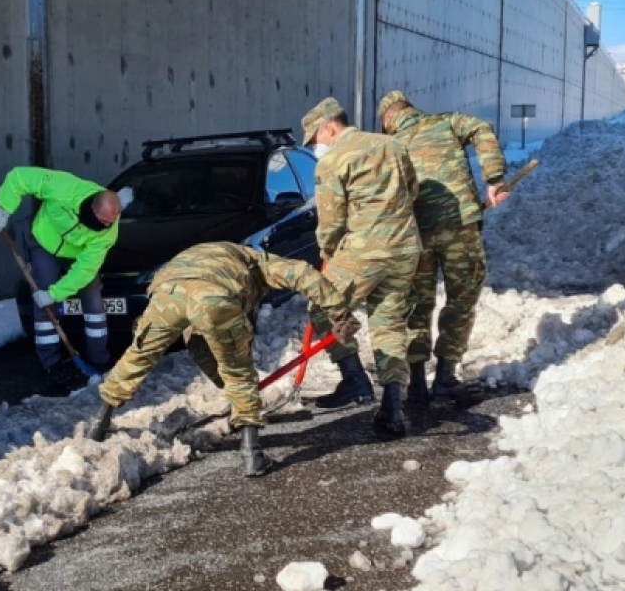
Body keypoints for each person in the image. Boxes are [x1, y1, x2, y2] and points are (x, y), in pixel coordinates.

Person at [82, 241, 361, 477]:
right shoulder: (259, 262)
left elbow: (201, 341)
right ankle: (252, 454)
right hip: (214, 296)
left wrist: (228, 386)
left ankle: (98, 423)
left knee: (138, 356)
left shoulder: (210, 253)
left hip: (167, 293)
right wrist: (340, 313)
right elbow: (303, 273)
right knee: (238, 370)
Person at [297, 97, 423, 436]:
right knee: (389, 324)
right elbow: (413, 189)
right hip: (405, 248)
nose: (317, 146)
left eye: (316, 138)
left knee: (323, 307)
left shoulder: (333, 160)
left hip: (364, 250)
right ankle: (392, 408)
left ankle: (355, 381)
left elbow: (330, 220)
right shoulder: (392, 145)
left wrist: (328, 252)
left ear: (329, 127)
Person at [376, 90, 506, 405]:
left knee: (416, 305)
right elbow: (481, 128)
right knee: (460, 301)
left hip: (415, 235)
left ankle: (417, 383)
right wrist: (495, 177)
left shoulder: (390, 146)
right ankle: (445, 379)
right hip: (459, 226)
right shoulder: (446, 122)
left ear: (388, 119)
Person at [0, 166, 133, 390]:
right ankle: (52, 364)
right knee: (43, 301)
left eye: (109, 223)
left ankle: (99, 361)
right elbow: (20, 177)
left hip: (77, 255)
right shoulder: (64, 188)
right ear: (92, 208)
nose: (106, 227)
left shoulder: (108, 232)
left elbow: (84, 270)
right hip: (45, 243)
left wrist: (55, 294)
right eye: (102, 222)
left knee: (94, 303)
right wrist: (4, 208)